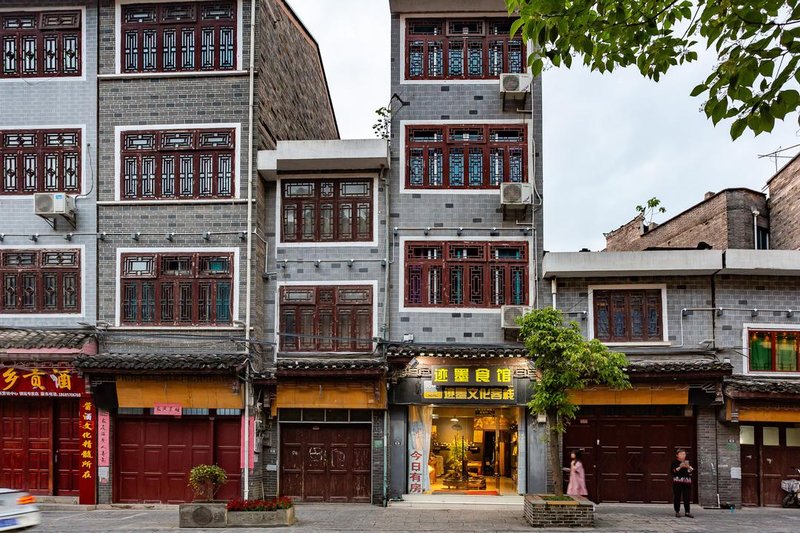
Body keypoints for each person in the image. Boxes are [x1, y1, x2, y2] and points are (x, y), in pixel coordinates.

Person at [671, 449, 694, 518]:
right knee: (677, 497)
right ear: (677, 455)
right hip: (677, 482)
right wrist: (680, 467)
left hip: (687, 482)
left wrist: (688, 467)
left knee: (687, 497)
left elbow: (692, 472)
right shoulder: (674, 462)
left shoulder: (688, 462)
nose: (683, 455)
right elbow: (673, 471)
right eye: (681, 454)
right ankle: (677, 511)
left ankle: (687, 512)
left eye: (684, 454)